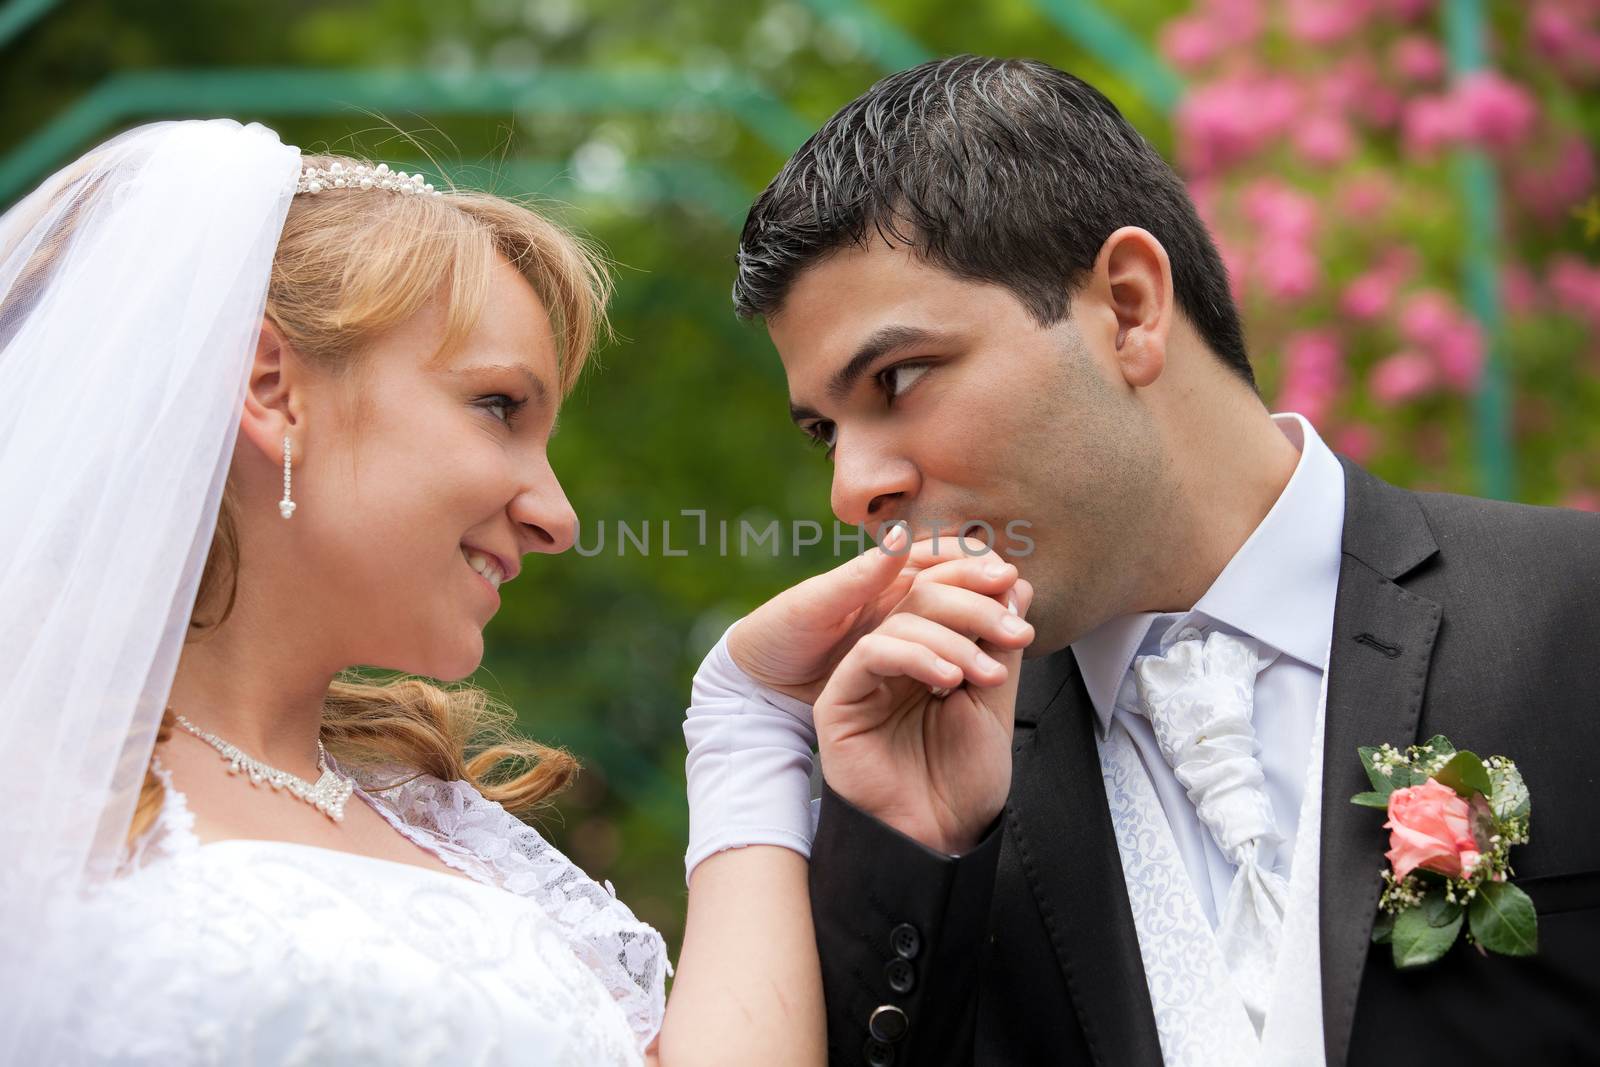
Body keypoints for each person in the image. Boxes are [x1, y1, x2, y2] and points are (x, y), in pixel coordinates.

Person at [0, 118, 1031, 1066]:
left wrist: (746, 720)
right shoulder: (29, 782)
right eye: (497, 406)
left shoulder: (452, 831)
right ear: (272, 387)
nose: (556, 514)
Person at [693, 54, 1600, 1065]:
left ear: (1128, 306)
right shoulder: (928, 781)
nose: (850, 487)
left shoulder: (1577, 610)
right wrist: (922, 853)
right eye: (824, 430)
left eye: (897, 377)